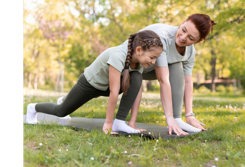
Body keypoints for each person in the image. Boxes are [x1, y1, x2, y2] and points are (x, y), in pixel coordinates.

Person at [26, 30, 164, 134]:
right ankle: (33, 107)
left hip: (106, 86)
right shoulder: (118, 56)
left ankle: (120, 122)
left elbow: (136, 92)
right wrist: (108, 124)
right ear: (139, 50)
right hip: (90, 84)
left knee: (137, 78)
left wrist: (132, 123)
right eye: (152, 57)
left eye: (156, 58)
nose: (153, 62)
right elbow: (114, 93)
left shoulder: (139, 63)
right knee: (61, 111)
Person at [119, 13, 217, 135]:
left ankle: (178, 118)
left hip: (147, 68)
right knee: (172, 65)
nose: (183, 37)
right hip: (125, 67)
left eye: (191, 38)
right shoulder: (163, 37)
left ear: (199, 41)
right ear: (182, 22)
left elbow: (187, 81)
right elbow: (163, 80)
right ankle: (173, 118)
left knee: (176, 65)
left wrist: (189, 115)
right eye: (183, 30)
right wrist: (168, 118)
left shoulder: (190, 52)